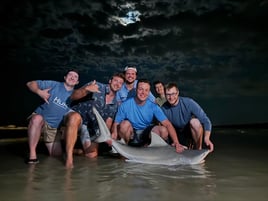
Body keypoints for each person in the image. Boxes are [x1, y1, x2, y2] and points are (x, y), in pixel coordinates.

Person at [64, 72, 125, 169]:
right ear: (110, 81)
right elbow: (73, 96)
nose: (117, 84)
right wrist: (86, 89)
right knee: (75, 117)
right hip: (78, 118)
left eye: (120, 83)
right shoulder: (96, 86)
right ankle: (69, 159)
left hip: (91, 128)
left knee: (92, 156)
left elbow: (108, 123)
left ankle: (75, 150)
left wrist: (108, 138)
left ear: (122, 86)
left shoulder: (115, 105)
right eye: (115, 80)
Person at [111, 79, 185, 153]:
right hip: (131, 134)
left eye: (146, 90)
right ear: (136, 89)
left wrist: (176, 142)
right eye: (140, 89)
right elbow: (116, 123)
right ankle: (124, 152)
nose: (143, 92)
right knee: (124, 124)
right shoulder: (125, 105)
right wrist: (114, 135)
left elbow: (167, 124)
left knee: (163, 130)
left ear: (149, 92)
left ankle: (150, 152)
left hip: (146, 134)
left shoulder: (153, 106)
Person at [25, 69, 80, 164]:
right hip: (40, 119)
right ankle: (32, 156)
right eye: (70, 75)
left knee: (56, 154)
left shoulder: (75, 96)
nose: (72, 77)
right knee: (37, 118)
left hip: (53, 128)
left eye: (75, 77)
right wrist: (39, 92)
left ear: (77, 82)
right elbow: (30, 83)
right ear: (65, 77)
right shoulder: (54, 85)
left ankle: (72, 151)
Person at [161, 82, 214, 152]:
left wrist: (207, 138)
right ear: (165, 95)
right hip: (174, 132)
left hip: (187, 131)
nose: (171, 97)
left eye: (173, 94)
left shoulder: (189, 103)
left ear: (177, 93)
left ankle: (198, 149)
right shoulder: (163, 108)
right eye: (168, 95)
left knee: (195, 122)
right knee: (162, 128)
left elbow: (206, 120)